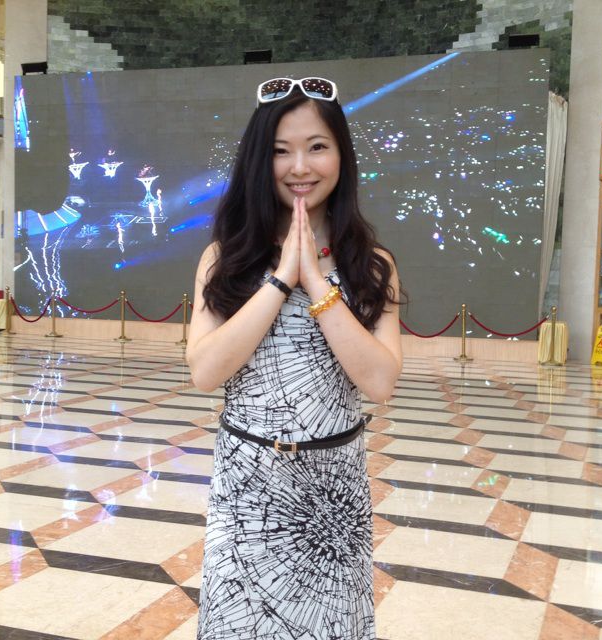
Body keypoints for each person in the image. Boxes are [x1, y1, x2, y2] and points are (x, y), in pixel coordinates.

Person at [186, 76, 403, 640]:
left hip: (334, 492)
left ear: (341, 155)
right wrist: (283, 277)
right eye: (281, 151)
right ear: (260, 161)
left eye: (317, 146)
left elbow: (380, 381)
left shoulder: (373, 265)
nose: (300, 166)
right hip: (248, 485)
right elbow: (205, 372)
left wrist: (317, 282)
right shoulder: (224, 259)